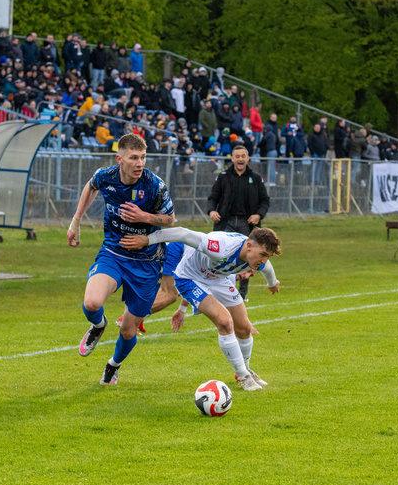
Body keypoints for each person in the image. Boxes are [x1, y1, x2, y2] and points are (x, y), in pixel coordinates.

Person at [67, 133, 175, 386]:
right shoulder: (106, 176)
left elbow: (170, 220)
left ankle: (113, 365)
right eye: (134, 158)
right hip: (114, 253)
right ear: (120, 159)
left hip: (147, 262)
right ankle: (98, 325)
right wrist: (76, 221)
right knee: (92, 302)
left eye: (143, 157)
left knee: (128, 330)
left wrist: (144, 217)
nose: (140, 163)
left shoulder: (154, 185)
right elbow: (91, 185)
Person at [121, 226, 282, 391]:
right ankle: (243, 376)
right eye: (263, 255)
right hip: (190, 278)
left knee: (244, 327)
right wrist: (147, 240)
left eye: (267, 256)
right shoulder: (220, 246)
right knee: (225, 322)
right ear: (249, 245)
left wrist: (272, 284)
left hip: (218, 278)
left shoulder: (258, 259)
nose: (263, 260)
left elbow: (268, 270)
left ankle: (246, 369)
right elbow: (183, 233)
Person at [206, 145, 271, 300]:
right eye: (237, 156)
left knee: (248, 257)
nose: (240, 159)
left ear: (247, 158)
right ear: (232, 158)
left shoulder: (255, 178)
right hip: (225, 222)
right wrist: (211, 211)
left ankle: (242, 294)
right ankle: (218, 290)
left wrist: (258, 215)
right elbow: (213, 198)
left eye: (243, 156)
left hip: (246, 223)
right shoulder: (223, 177)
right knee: (220, 255)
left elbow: (265, 201)